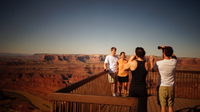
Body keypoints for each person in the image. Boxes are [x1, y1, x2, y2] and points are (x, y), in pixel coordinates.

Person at [150, 45, 177, 112]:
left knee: (163, 106)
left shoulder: (159, 63)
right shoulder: (174, 62)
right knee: (170, 106)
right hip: (171, 86)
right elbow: (174, 56)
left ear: (164, 53)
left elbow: (153, 70)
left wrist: (151, 61)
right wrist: (165, 49)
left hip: (162, 87)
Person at [124, 47, 150, 112]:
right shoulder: (147, 64)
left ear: (136, 54)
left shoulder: (132, 63)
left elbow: (125, 68)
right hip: (142, 88)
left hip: (133, 88)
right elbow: (148, 70)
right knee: (142, 108)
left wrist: (130, 59)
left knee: (132, 107)